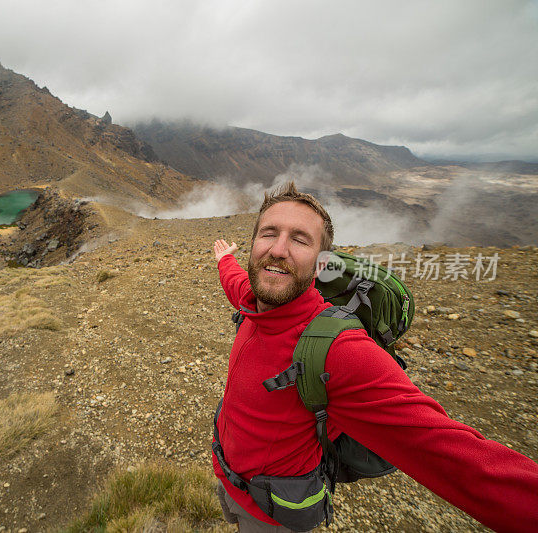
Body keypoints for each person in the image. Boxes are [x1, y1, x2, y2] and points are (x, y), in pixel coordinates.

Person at [211, 181, 538, 533]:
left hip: (270, 514)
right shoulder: (252, 299)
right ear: (253, 246)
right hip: (230, 482)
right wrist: (224, 259)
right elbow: (235, 281)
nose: (277, 250)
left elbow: (453, 455)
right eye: (268, 234)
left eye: (299, 239)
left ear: (322, 264)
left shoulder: (340, 350)